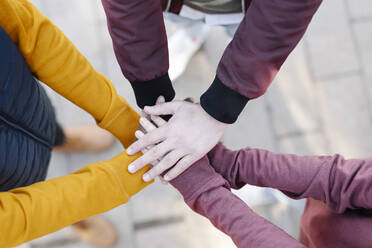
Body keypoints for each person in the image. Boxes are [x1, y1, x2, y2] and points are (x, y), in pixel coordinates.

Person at [100, 0, 323, 182]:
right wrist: (150, 84)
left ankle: (226, 38)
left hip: (249, 9)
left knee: (240, 30)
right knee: (183, 19)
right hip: (176, 4)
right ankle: (193, 34)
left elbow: (284, 12)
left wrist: (222, 104)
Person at [0, 0, 151, 246]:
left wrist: (116, 114)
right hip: (6, 187)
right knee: (36, 197)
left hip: (27, 106)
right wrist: (120, 179)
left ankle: (63, 139)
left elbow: (31, 31)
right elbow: (13, 218)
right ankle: (78, 219)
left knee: (47, 126)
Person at [139, 111, 372, 248]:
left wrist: (204, 191)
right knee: (312, 205)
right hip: (336, 214)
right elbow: (340, 180)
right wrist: (231, 164)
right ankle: (273, 191)